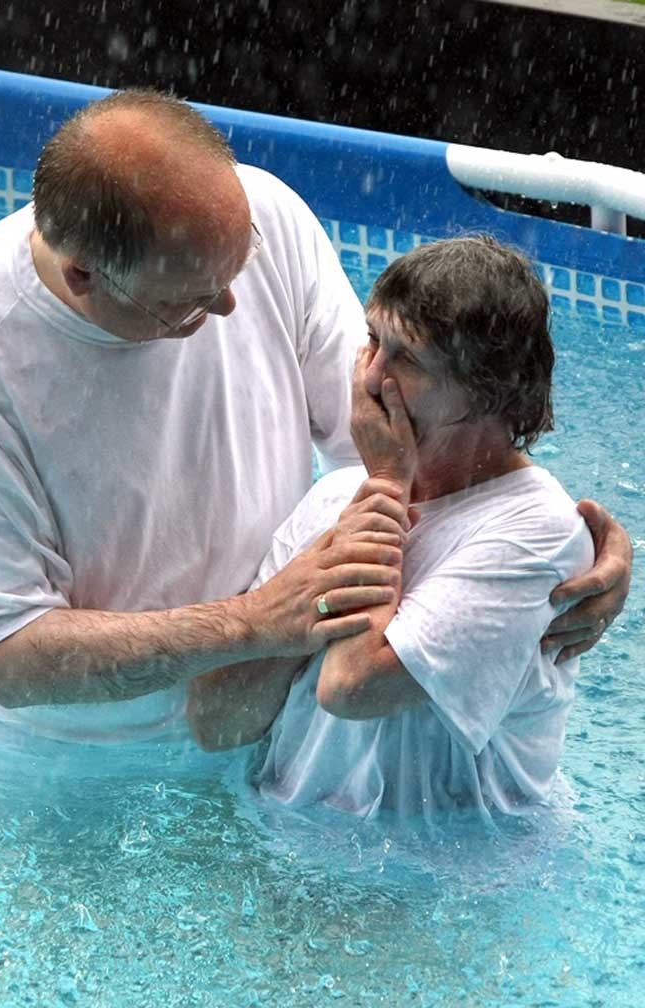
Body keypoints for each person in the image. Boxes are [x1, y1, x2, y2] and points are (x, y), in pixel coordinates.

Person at [0, 90, 630, 745]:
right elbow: (6, 657)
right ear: (84, 275)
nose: (228, 310)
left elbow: (406, 437)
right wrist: (250, 622)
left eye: (234, 270)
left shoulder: (264, 214)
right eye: (190, 299)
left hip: (251, 718)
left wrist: (562, 546)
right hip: (63, 762)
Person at [187, 237, 601, 819]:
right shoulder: (335, 496)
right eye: (374, 340)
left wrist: (386, 481)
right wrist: (290, 615)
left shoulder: (537, 531)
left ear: (488, 390)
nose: (370, 377)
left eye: (407, 357)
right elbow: (217, 721)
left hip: (449, 883)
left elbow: (354, 688)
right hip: (286, 848)